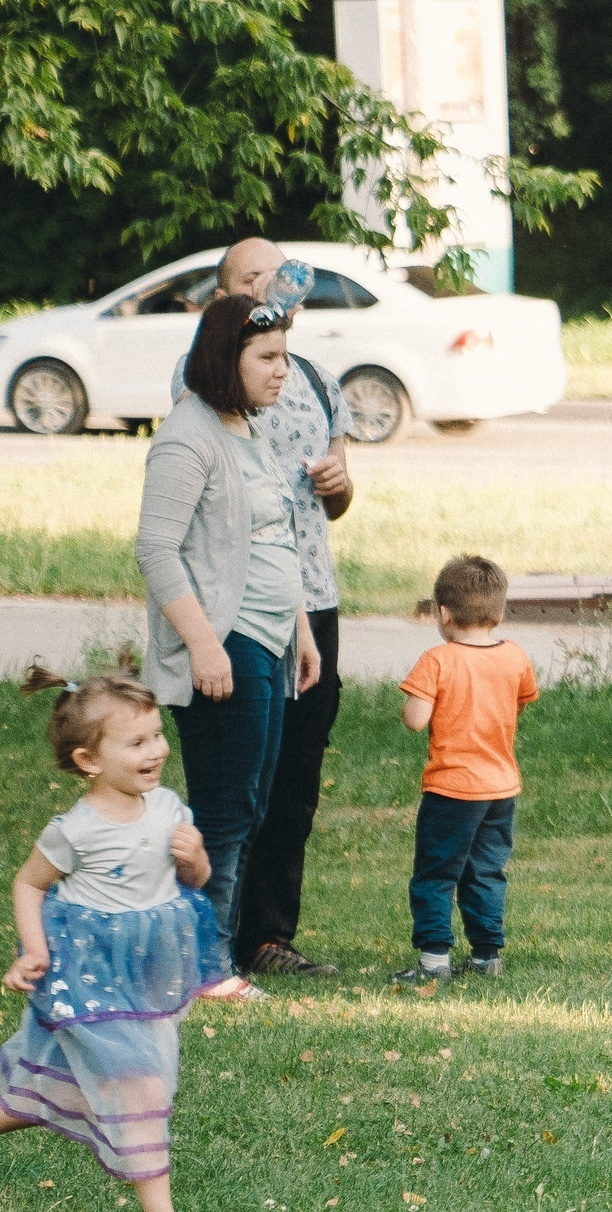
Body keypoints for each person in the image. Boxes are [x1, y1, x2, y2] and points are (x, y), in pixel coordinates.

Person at [169, 238, 356, 980]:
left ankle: (266, 936)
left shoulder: (313, 378)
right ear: (222, 300)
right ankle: (205, 947)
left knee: (291, 777)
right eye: (250, 282)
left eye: (277, 280)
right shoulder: (204, 395)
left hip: (308, 602)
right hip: (235, 610)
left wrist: (340, 481)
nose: (269, 292)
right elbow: (166, 540)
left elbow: (327, 507)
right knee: (232, 786)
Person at [137, 293, 325, 998]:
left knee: (253, 804)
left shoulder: (246, 426)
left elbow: (275, 537)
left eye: (284, 356)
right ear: (227, 358)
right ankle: (204, 967)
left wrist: (302, 631)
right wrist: (204, 646)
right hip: (226, 644)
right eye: (268, 358)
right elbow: (156, 550)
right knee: (224, 809)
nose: (283, 372)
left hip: (272, 641)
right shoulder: (188, 437)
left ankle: (210, 951)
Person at [0, 669, 225, 1212]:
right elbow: (27, 885)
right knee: (141, 1084)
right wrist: (33, 950)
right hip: (88, 975)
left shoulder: (169, 806)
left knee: (33, 1082)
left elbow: (193, 883)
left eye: (156, 735)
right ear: (88, 760)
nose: (156, 750)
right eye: (137, 742)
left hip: (146, 978)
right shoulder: (74, 830)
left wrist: (195, 855)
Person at [393, 556, 538, 985]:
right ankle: (486, 956)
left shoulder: (437, 660)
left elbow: (415, 719)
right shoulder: (514, 656)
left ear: (444, 613)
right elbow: (520, 701)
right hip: (501, 789)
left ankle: (434, 962)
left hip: (452, 790)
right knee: (486, 871)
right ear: (498, 610)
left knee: (436, 873)